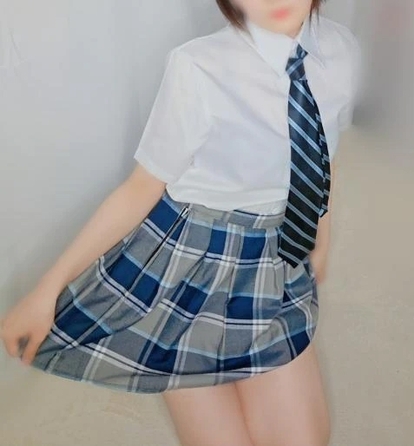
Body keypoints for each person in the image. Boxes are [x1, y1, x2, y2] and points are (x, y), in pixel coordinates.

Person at [0, 0, 360, 444]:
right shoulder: (197, 67)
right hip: (191, 264)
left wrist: (321, 235)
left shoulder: (341, 51)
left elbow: (324, 155)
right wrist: (45, 291)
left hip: (276, 255)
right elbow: (140, 188)